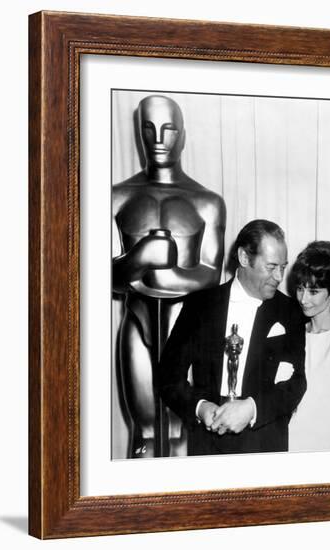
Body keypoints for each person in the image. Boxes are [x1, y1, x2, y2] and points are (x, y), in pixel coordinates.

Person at [112, 95, 226, 458]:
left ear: (183, 135)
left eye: (168, 129)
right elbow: (106, 275)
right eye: (149, 128)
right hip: (139, 322)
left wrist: (158, 273)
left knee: (182, 431)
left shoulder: (207, 201)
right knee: (144, 432)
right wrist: (140, 257)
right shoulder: (116, 197)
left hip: (188, 325)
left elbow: (211, 276)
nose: (158, 138)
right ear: (138, 133)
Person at [159, 219, 306, 456]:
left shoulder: (290, 312)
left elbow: (297, 383)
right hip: (207, 446)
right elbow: (168, 377)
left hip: (264, 445)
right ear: (244, 258)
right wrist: (199, 408)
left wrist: (251, 409)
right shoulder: (200, 305)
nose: (279, 277)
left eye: (283, 266)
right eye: (271, 267)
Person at [288, 241, 330, 452]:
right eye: (300, 289)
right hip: (287, 445)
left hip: (328, 448)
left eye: (313, 291)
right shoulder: (293, 333)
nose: (303, 299)